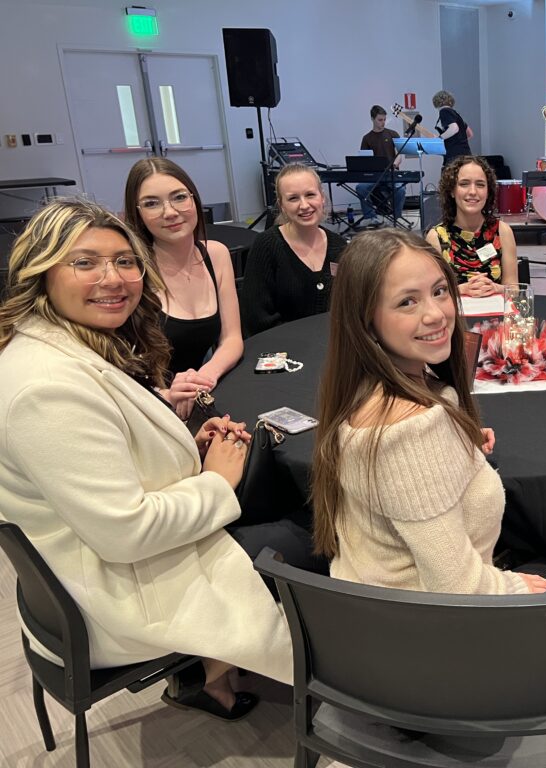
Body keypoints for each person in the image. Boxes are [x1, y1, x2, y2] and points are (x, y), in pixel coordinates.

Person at [0, 199, 293, 720]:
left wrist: (185, 447)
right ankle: (353, 697)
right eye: (84, 262)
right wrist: (215, 483)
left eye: (124, 261)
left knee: (264, 490)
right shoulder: (47, 388)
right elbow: (126, 531)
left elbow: (106, 462)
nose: (112, 278)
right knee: (301, 539)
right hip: (115, 593)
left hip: (91, 559)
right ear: (41, 272)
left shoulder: (64, 345)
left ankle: (212, 676)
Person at [309, 228, 546, 595]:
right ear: (366, 323)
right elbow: (458, 586)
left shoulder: (362, 389)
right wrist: (513, 588)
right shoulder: (410, 432)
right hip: (428, 630)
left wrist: (455, 444)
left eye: (439, 291)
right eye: (408, 302)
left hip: (379, 607)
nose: (436, 314)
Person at [123, 158, 242, 420]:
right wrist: (167, 394)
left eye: (179, 197)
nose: (170, 212)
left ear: (194, 199)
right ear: (138, 213)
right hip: (147, 408)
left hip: (198, 397)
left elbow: (232, 339)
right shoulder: (132, 271)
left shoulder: (216, 254)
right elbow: (116, 369)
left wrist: (205, 376)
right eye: (152, 203)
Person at [240, 164, 346, 336]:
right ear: (282, 205)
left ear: (322, 198)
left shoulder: (339, 246)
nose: (304, 205)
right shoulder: (267, 245)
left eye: (310, 195)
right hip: (284, 347)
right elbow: (256, 318)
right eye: (293, 198)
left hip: (333, 346)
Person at [425, 156, 519, 298]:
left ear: (488, 192)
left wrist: (495, 288)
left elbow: (515, 290)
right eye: (464, 184)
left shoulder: (503, 231)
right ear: (452, 191)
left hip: (495, 316)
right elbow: (431, 294)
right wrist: (462, 289)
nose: (473, 191)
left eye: (480, 185)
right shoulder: (436, 237)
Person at [356, 105, 407, 227]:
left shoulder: (392, 134)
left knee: (400, 189)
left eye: (384, 119)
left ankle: (396, 217)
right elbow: (365, 159)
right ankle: (371, 217)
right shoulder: (367, 138)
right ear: (372, 119)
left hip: (391, 174)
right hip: (375, 175)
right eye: (380, 120)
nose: (383, 122)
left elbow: (400, 154)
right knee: (361, 188)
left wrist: (396, 163)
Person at [432, 90, 473, 166]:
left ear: (436, 102)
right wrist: (459, 141)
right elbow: (469, 133)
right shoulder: (456, 114)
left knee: (451, 177)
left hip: (454, 155)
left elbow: (454, 128)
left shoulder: (444, 111)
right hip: (466, 153)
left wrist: (439, 138)